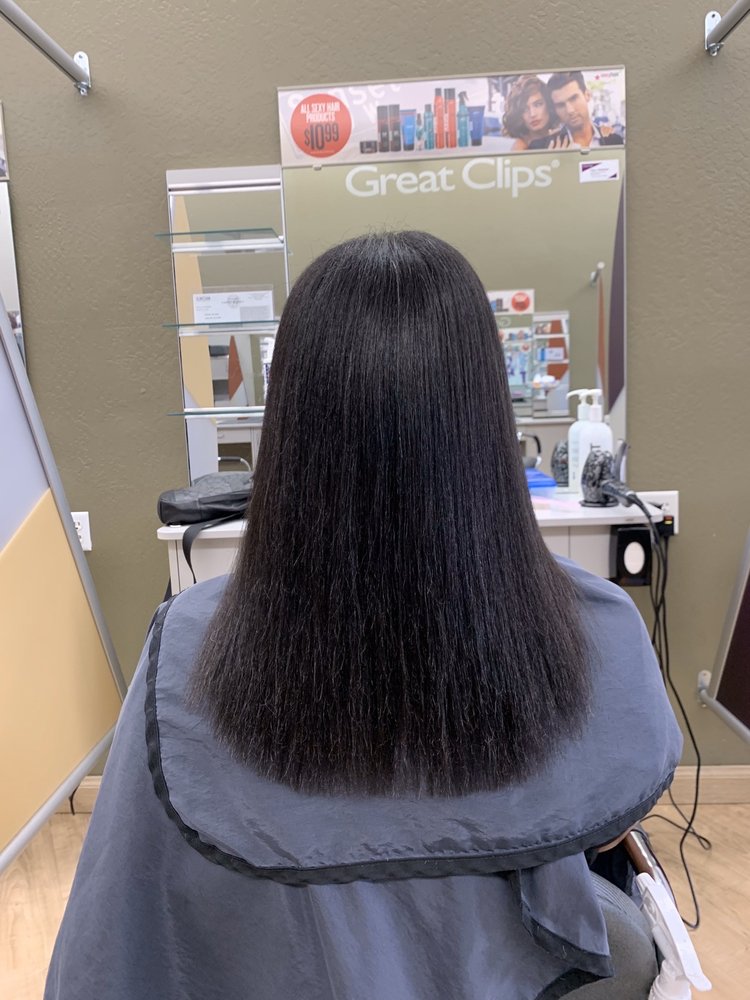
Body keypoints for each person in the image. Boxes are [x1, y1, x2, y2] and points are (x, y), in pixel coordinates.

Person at [45, 231, 680, 1000]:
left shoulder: (187, 644)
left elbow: (121, 935)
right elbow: (606, 823)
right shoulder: (601, 631)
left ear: (290, 423)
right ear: (486, 418)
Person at [529, 71, 624, 149]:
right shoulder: (543, 147)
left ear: (587, 95)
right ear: (555, 109)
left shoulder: (613, 141)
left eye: (574, 99)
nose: (570, 110)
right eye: (561, 105)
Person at [502, 74, 567, 150]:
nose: (532, 114)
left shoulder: (562, 135)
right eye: (524, 109)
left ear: (549, 104)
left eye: (538, 105)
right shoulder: (519, 147)